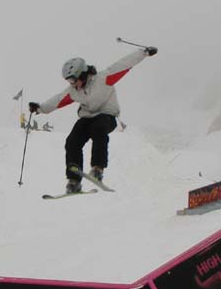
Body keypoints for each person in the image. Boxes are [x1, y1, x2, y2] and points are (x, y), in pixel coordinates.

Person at [29, 46, 157, 193]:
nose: (71, 84)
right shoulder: (73, 91)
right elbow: (58, 100)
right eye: (68, 81)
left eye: (72, 79)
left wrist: (144, 53)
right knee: (72, 141)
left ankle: (97, 168)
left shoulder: (104, 78)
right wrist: (39, 108)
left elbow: (125, 63)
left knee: (98, 129)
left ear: (82, 74)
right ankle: (74, 181)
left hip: (107, 116)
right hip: (87, 117)